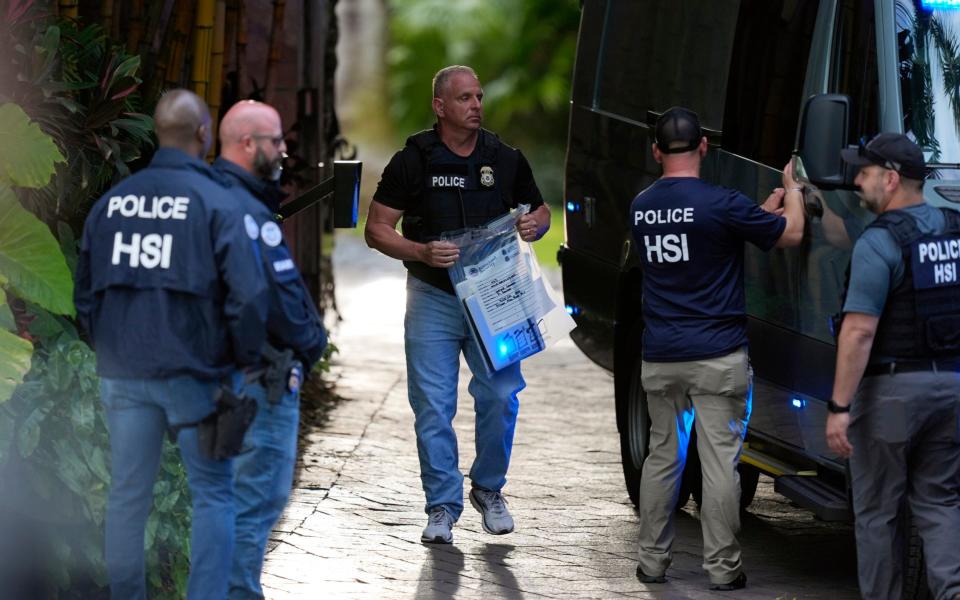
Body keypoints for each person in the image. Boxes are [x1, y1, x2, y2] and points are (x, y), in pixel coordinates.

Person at [73, 89, 269, 599]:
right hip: (197, 377)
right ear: (204, 135)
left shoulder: (111, 206)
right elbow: (248, 297)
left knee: (127, 493)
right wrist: (244, 362)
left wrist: (109, 351)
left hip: (124, 373)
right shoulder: (218, 204)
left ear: (157, 133)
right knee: (213, 493)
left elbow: (86, 294)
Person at [364, 65, 550, 544]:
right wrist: (419, 251)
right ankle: (441, 506)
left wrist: (537, 226)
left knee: (501, 396)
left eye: (479, 97)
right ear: (440, 106)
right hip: (433, 296)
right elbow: (377, 228)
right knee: (432, 406)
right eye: (465, 98)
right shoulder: (413, 160)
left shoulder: (504, 158)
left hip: (497, 298)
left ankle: (488, 489)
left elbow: (541, 208)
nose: (476, 106)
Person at [630, 107, 804, 591]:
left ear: (656, 151)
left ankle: (651, 563)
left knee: (664, 456)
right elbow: (790, 233)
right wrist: (791, 191)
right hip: (717, 355)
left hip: (661, 356)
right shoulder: (720, 203)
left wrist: (758, 214)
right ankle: (723, 569)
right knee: (719, 462)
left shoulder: (641, 206)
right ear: (704, 147)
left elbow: (703, 238)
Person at [826, 133, 960, 600]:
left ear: (890, 178)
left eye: (863, 173)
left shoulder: (879, 242)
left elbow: (859, 332)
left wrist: (839, 405)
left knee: (878, 511)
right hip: (953, 391)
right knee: (940, 501)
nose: (856, 182)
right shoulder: (955, 228)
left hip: (892, 395)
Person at [213, 100, 328, 600]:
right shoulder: (242, 209)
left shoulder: (218, 197)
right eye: (275, 140)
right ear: (246, 144)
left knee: (235, 497)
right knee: (257, 497)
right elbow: (271, 298)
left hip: (236, 375)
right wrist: (310, 343)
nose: (283, 149)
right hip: (260, 377)